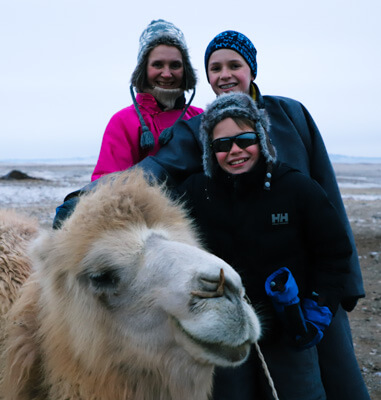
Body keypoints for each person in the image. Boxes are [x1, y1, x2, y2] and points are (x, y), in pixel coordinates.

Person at [53, 30, 369, 399]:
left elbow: (326, 195)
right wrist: (87, 198)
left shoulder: (291, 114)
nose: (225, 75)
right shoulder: (200, 127)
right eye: (215, 68)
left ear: (251, 68)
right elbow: (156, 167)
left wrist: (343, 284)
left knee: (321, 373)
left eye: (234, 65)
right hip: (241, 281)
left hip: (303, 282)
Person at [175, 91, 366, 399]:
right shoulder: (197, 192)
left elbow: (334, 253)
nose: (235, 150)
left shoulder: (297, 188)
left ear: (261, 138)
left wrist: (316, 310)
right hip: (226, 333)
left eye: (245, 139)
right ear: (211, 151)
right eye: (222, 145)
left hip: (289, 330)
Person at [91, 19, 203, 181]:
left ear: (186, 70)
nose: (166, 74)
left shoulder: (200, 117)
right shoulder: (123, 122)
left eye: (175, 65)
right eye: (157, 65)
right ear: (143, 69)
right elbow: (106, 186)